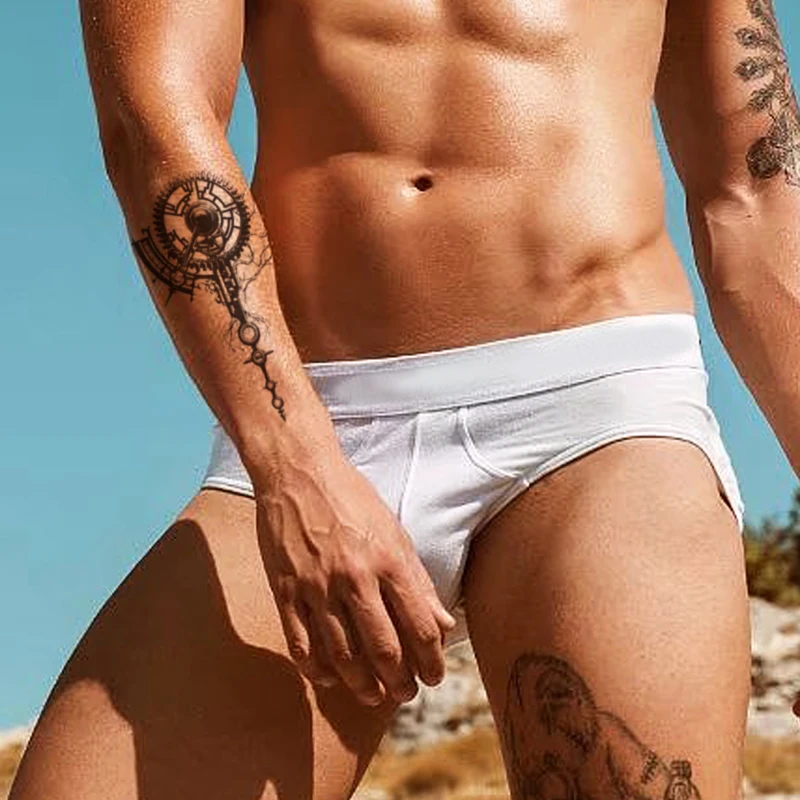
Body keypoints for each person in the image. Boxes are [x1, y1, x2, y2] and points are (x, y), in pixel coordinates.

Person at [9, 0, 800, 797]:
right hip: (312, 420)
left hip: (595, 407)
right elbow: (152, 125)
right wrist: (296, 469)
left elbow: (754, 184)